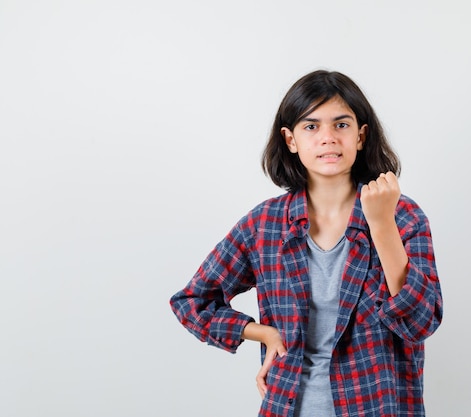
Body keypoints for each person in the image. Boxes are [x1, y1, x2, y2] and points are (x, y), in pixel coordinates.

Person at [170, 69, 443, 417]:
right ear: (291, 139)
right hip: (289, 407)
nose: (327, 137)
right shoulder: (264, 224)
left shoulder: (402, 215)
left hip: (377, 407)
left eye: (341, 125)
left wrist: (381, 224)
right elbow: (193, 301)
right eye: (311, 126)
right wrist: (262, 333)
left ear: (361, 136)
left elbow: (420, 322)